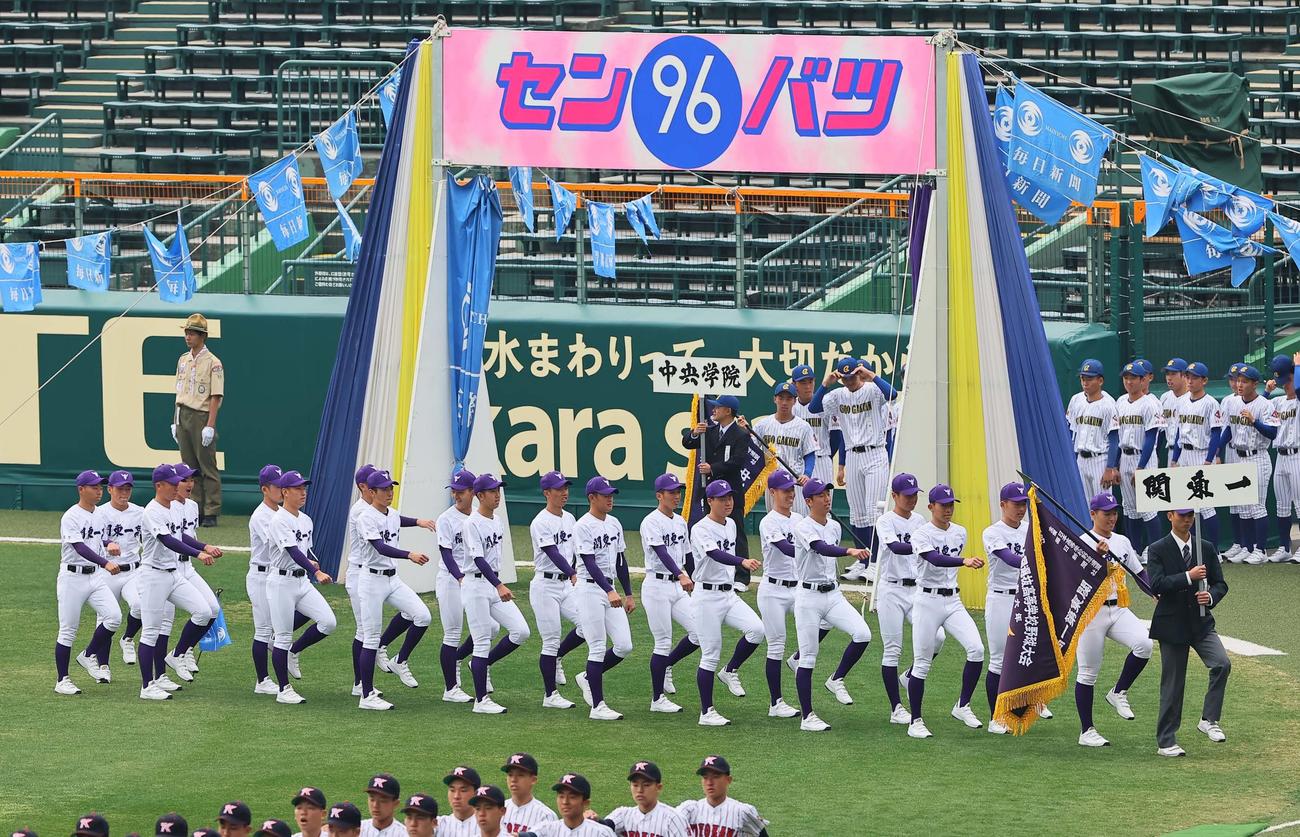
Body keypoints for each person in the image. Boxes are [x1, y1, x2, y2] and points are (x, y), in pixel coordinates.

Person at [791, 479, 873, 732]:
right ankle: (808, 717)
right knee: (808, 658)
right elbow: (820, 548)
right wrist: (849, 552)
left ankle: (836, 678)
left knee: (863, 634)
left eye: (827, 494)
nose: (826, 498)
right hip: (808, 598)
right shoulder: (803, 527)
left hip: (833, 594)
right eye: (820, 495)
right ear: (808, 501)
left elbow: (829, 547)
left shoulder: (835, 526)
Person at [905, 484, 986, 739]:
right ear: (931, 507)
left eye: (951, 504)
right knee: (921, 665)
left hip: (952, 601)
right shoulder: (921, 534)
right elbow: (934, 559)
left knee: (977, 650)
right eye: (943, 505)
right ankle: (915, 721)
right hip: (927, 601)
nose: (949, 509)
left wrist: (963, 562)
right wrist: (964, 561)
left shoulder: (960, 532)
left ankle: (962, 705)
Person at [1075, 494, 1156, 748]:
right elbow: (1077, 578)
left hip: (1118, 608)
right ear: (1093, 514)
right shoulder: (1083, 542)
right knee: (1088, 673)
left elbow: (1138, 571)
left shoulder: (1121, 541)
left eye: (1114, 513)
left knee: (1145, 644)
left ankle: (1118, 691)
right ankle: (1086, 730)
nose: (1111, 517)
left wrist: (1156, 592)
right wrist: (1097, 557)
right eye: (1105, 513)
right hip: (1092, 613)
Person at [1149, 508, 1231, 757]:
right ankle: (1166, 742)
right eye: (1182, 515)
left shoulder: (1205, 546)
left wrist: (1211, 596)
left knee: (1221, 664)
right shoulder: (1157, 548)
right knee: (1173, 685)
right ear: (1170, 516)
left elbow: (1220, 583)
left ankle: (1209, 719)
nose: (1187, 520)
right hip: (1172, 625)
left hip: (1201, 623)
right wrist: (1188, 576)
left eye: (1190, 516)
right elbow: (1157, 584)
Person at [809, 357, 896, 579]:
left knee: (874, 510)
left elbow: (893, 394)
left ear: (859, 372)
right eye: (845, 377)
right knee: (857, 513)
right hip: (853, 455)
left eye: (852, 376)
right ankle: (863, 560)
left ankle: (877, 561)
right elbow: (814, 407)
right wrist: (825, 383)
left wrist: (872, 376)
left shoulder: (872, 389)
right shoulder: (838, 395)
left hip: (875, 452)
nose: (849, 381)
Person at [136, 463, 217, 700]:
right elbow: (167, 540)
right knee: (151, 631)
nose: (177, 487)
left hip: (173, 574)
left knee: (204, 611)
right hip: (153, 576)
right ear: (159, 485)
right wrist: (199, 553)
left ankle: (177, 655)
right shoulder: (151, 510)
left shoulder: (173, 507)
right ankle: (147, 686)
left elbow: (180, 535)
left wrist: (201, 547)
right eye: (172, 484)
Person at [355, 469, 434, 710]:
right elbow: (380, 547)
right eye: (384, 489)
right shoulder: (365, 517)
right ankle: (366, 696)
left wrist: (419, 522)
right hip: (371, 581)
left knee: (422, 616)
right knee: (370, 639)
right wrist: (409, 554)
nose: (389, 492)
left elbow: (398, 519)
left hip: (392, 580)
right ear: (371, 492)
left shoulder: (390, 513)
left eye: (391, 488)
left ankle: (400, 660)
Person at [688, 479, 764, 726]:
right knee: (710, 653)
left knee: (757, 630)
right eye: (721, 498)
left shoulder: (731, 524)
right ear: (710, 501)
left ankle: (730, 670)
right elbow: (713, 553)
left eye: (729, 497)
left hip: (727, 595)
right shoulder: (700, 528)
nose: (728, 502)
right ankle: (706, 712)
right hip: (707, 597)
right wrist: (741, 561)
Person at [872, 472, 944, 726]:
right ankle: (896, 708)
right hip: (891, 590)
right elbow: (895, 547)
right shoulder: (885, 521)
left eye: (915, 495)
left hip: (916, 590)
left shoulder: (920, 520)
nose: (912, 499)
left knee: (938, 637)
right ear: (894, 496)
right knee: (893, 650)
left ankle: (910, 675)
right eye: (907, 495)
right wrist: (924, 548)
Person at [463, 472, 532, 714]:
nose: (497, 495)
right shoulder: (471, 522)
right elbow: (478, 558)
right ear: (479, 495)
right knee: (482, 641)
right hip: (476, 585)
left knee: (521, 631)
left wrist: (497, 584)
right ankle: (481, 701)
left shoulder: (497, 520)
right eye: (492, 491)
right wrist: (499, 585)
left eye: (498, 490)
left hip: (491, 583)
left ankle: (480, 665)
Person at [266, 470, 336, 704]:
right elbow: (293, 551)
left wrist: (313, 561)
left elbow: (306, 549)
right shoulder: (278, 520)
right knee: (282, 637)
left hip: (301, 581)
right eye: (297, 488)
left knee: (328, 622)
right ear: (285, 492)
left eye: (304, 488)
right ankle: (284, 690)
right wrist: (315, 570)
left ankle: (295, 651)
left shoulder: (306, 520)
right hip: (281, 583)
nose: (303, 492)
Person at [572, 476, 635, 721]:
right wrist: (609, 590)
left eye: (611, 494)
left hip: (609, 589)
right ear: (592, 498)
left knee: (624, 645)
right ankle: (597, 706)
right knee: (597, 646)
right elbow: (588, 562)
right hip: (589, 589)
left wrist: (628, 592)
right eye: (605, 494)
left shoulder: (615, 523)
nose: (610, 498)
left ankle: (588, 677)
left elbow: (621, 560)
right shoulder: (583, 526)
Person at [637, 473, 700, 714]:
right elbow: (661, 552)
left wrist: (694, 577)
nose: (677, 495)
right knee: (662, 641)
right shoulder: (650, 521)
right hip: (657, 586)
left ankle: (668, 665)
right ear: (659, 495)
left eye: (678, 491)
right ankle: (657, 699)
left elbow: (687, 555)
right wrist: (681, 574)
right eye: (672, 492)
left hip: (677, 585)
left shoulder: (680, 521)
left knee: (698, 632)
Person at [56, 470, 123, 694]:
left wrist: (108, 541)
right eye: (94, 487)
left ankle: (88, 654)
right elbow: (79, 546)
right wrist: (105, 562)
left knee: (113, 617)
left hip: (94, 577)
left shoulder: (99, 514)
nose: (99, 491)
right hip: (72, 578)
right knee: (68, 630)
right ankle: (62, 680)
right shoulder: (71, 516)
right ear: (81, 489)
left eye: (100, 487)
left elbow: (95, 536)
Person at [681, 394, 754, 589]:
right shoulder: (710, 431)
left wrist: (712, 468)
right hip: (711, 493)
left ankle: (741, 578)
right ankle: (712, 572)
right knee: (710, 530)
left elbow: (737, 461)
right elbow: (687, 443)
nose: (714, 410)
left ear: (727, 411)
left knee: (736, 531)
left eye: (718, 407)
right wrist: (695, 433)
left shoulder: (740, 434)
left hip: (732, 492)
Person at [528, 471, 584, 710]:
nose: (564, 492)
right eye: (559, 489)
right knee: (550, 641)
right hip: (545, 586)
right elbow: (552, 552)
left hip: (566, 585)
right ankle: (550, 695)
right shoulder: (540, 521)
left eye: (565, 488)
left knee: (587, 624)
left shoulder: (570, 518)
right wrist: (572, 573)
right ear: (546, 493)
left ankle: (559, 656)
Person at [981, 482, 1030, 735]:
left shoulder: (1030, 529)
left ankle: (1021, 708)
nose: (1020, 508)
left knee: (1025, 655)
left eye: (1023, 503)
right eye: (1016, 504)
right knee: (999, 659)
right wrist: (1034, 563)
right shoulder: (992, 532)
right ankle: (995, 717)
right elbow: (1009, 559)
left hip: (1025, 597)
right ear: (1003, 504)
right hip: (1001, 598)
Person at [166, 462, 223, 679]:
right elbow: (177, 537)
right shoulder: (166, 507)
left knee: (212, 610)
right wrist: (203, 549)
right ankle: (166, 665)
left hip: (186, 566)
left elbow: (190, 534)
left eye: (191, 479)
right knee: (162, 625)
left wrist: (201, 548)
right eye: (184, 480)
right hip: (168, 567)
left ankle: (183, 650)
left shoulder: (191, 506)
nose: (189, 484)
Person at [754, 470, 804, 720]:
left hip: (797, 589)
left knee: (824, 619)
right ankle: (776, 703)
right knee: (776, 645)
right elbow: (786, 548)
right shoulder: (768, 521)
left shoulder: (799, 519)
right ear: (772, 493)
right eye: (785, 490)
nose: (790, 494)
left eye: (791, 490)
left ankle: (797, 658)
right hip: (773, 590)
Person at [1105, 360, 1163, 559]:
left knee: (1149, 508)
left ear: (1142, 380)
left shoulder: (1150, 404)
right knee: (1130, 509)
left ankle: (1156, 553)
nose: (1129, 381)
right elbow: (1118, 436)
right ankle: (1135, 552)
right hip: (1125, 457)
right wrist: (1115, 466)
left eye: (1133, 378)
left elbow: (1151, 437)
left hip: (1144, 459)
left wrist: (1141, 467)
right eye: (1126, 378)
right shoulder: (1120, 402)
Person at [1222, 365, 1279, 565]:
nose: (1239, 384)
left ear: (1255, 384)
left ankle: (1261, 549)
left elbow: (1272, 433)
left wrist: (1254, 421)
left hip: (1258, 457)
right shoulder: (1233, 403)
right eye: (1238, 380)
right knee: (1244, 508)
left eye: (1244, 381)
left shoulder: (1265, 405)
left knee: (1257, 506)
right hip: (1239, 457)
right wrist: (1213, 454)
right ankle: (1247, 548)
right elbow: (1229, 430)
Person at [171, 313, 224, 526]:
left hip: (201, 415)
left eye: (192, 333)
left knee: (207, 465)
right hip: (183, 413)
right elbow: (178, 392)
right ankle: (195, 508)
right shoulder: (183, 360)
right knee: (189, 466)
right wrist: (175, 420)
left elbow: (215, 396)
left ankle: (211, 510)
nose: (188, 336)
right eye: (186, 332)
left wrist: (209, 425)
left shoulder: (213, 362)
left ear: (203, 336)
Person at [435, 469, 481, 704]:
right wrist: (460, 577)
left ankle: (459, 658)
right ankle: (450, 688)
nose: (456, 496)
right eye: (454, 491)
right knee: (452, 632)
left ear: (473, 492)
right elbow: (446, 553)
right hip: (451, 580)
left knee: (489, 628)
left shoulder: (477, 518)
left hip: (473, 581)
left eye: (461, 491)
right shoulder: (446, 518)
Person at [91, 469, 144, 668]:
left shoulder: (140, 512)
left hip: (132, 571)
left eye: (128, 489)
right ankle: (103, 666)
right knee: (105, 618)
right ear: (110, 489)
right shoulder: (100, 513)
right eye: (120, 489)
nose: (124, 493)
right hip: (107, 571)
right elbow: (91, 536)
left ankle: (128, 638)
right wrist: (106, 543)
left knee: (140, 606)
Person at [1170, 362, 1224, 547]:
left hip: (1202, 455)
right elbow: (1178, 432)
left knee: (1206, 507)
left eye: (1194, 377)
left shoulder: (1211, 403)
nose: (1190, 380)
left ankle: (1215, 550)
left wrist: (1209, 460)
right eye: (1188, 376)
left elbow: (1216, 434)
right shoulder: (1182, 401)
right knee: (1186, 505)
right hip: (1184, 453)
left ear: (1204, 380)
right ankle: (1190, 547)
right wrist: (1175, 458)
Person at [752, 381, 818, 513]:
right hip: (772, 482)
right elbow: (752, 451)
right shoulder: (762, 425)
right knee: (774, 521)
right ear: (774, 399)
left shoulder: (803, 426)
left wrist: (807, 474)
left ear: (795, 401)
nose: (784, 402)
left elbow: (809, 454)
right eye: (781, 398)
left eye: (789, 398)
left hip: (795, 480)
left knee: (798, 522)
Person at [248, 464, 285, 696]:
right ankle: (262, 680)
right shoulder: (261, 516)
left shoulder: (283, 513)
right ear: (265, 489)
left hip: (276, 575)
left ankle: (280, 644)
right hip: (261, 575)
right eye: (277, 486)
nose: (282, 490)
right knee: (262, 630)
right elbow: (277, 545)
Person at [676, 757, 767, 837]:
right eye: (705, 777)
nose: (709, 782)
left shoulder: (742, 812)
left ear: (728, 780)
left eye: (715, 777)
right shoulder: (689, 810)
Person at [791, 362, 843, 504]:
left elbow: (836, 436)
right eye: (803, 382)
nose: (808, 386)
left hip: (821, 458)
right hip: (799, 462)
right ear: (794, 384)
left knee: (824, 506)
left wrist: (826, 455)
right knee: (799, 506)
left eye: (810, 381)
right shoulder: (791, 407)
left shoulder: (826, 403)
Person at [1066, 358, 1117, 500]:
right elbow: (1071, 432)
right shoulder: (1076, 400)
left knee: (1103, 506)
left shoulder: (1109, 404)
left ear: (1100, 381)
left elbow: (1114, 439)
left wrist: (1109, 468)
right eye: (1082, 378)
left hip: (1099, 461)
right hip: (1080, 460)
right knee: (1084, 506)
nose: (1085, 382)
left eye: (1089, 378)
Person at [601, 761, 689, 837]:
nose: (640, 790)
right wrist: (595, 819)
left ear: (658, 787)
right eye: (635, 785)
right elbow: (603, 827)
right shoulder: (623, 815)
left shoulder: (673, 818)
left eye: (646, 785)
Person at [1268, 354, 1300, 563]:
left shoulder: (1298, 397)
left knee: (1299, 504)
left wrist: (1297, 367)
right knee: (1281, 505)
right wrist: (1267, 391)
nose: (1284, 385)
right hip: (1280, 456)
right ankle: (1283, 546)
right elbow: (1258, 409)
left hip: (1297, 455)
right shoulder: (1277, 401)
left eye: (1286, 380)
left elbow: (1298, 389)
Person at [524, 774, 615, 837]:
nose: (565, 802)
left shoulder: (602, 833)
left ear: (585, 803)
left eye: (572, 797)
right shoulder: (546, 829)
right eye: (561, 796)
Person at [501, 752, 557, 832]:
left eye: (520, 775)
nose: (513, 780)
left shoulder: (545, 815)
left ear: (533, 780)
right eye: (510, 775)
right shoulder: (496, 810)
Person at [1159, 358, 1190, 466]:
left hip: (1190, 452)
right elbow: (1161, 431)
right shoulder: (1164, 398)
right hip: (1170, 452)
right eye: (1167, 374)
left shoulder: (1192, 398)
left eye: (1173, 374)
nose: (1169, 378)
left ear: (1184, 376)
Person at [439, 766, 481, 837]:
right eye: (452, 790)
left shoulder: (488, 827)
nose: (456, 796)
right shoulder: (438, 825)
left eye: (463, 790)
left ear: (476, 793)